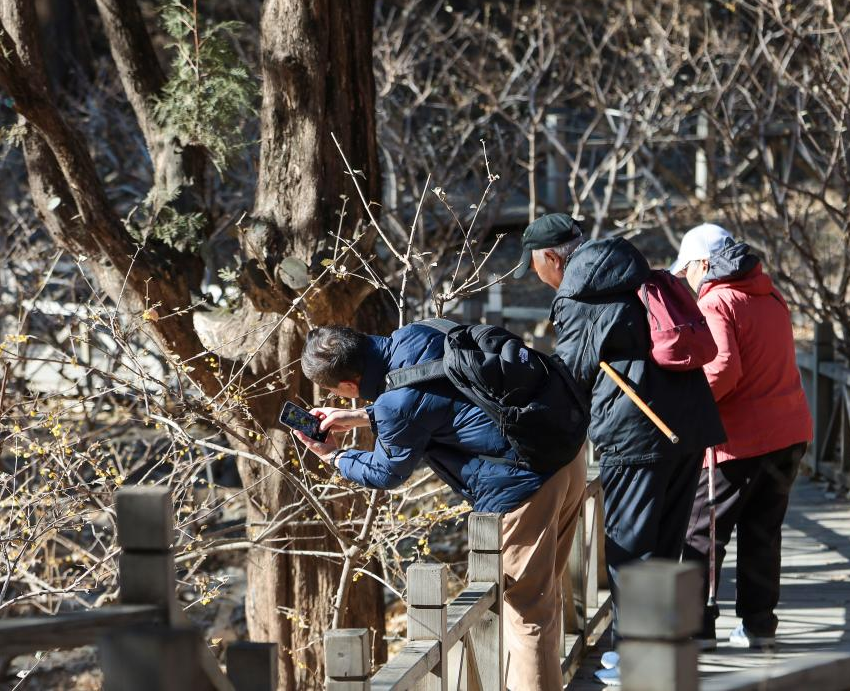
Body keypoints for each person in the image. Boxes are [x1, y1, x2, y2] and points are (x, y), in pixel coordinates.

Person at [295, 323, 586, 691]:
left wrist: (334, 456)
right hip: (565, 456)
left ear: (350, 386)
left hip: (526, 488)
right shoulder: (417, 334)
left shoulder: (394, 404)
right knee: (543, 596)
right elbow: (443, 399)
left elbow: (387, 472)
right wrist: (359, 418)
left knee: (528, 614)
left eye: (337, 393)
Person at [517, 214, 726, 685]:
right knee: (668, 544)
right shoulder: (638, 273)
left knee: (631, 546)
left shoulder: (580, 294)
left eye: (534, 265)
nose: (538, 276)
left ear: (551, 258)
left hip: (638, 431)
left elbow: (572, 374)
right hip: (688, 423)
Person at [671, 224, 813, 651]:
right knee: (763, 531)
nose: (686, 282)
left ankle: (697, 629)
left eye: (687, 272)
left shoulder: (717, 301)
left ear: (702, 264)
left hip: (740, 442)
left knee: (702, 533)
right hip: (789, 432)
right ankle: (758, 626)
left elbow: (723, 368)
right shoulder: (769, 294)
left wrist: (688, 409)